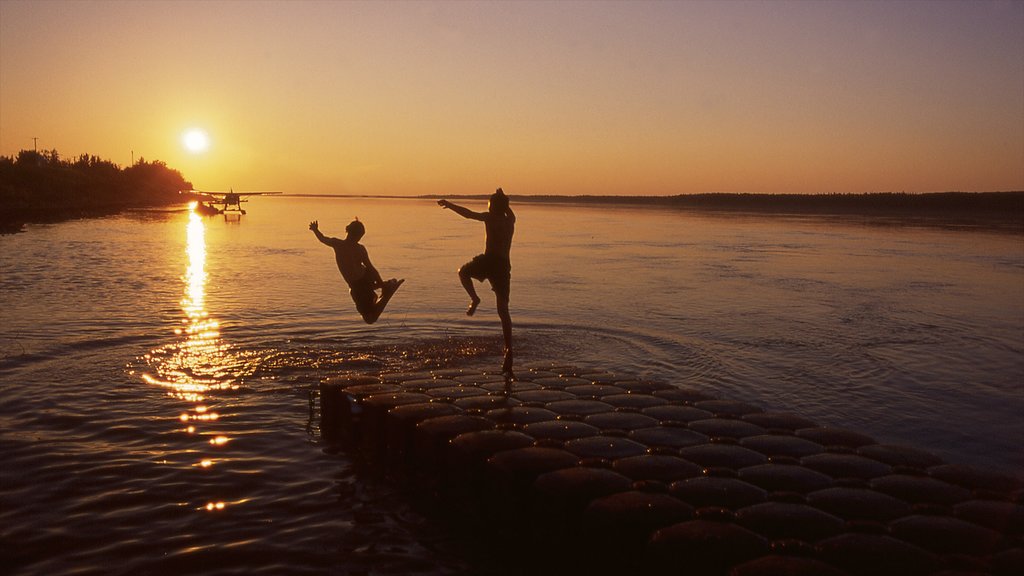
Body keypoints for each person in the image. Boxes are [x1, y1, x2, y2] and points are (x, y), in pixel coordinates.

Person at [438, 188, 516, 373]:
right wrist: (503, 198)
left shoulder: (490, 218)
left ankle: (474, 298)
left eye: (489, 204)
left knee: (462, 272)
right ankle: (509, 350)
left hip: (489, 261)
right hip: (504, 265)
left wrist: (449, 205)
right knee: (503, 310)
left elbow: (468, 214)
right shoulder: (511, 220)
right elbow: (507, 208)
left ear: (492, 207)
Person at [309, 219, 403, 324]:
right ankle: (387, 286)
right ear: (351, 232)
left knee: (370, 318)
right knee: (369, 314)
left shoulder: (342, 245)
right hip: (358, 283)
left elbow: (371, 268)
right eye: (359, 236)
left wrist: (315, 230)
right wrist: (315, 230)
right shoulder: (343, 245)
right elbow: (323, 239)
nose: (358, 239)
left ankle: (387, 289)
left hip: (361, 281)